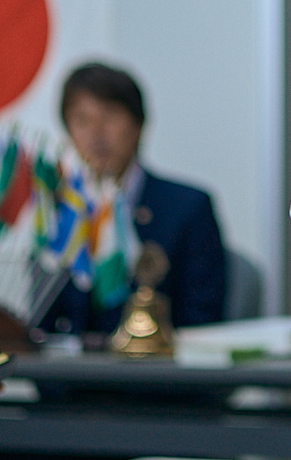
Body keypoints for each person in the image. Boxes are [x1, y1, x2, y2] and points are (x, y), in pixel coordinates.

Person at [34, 61, 227, 336]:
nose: (95, 134)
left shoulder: (188, 208)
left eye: (109, 117)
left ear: (138, 125)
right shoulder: (58, 211)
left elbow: (202, 322)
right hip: (75, 376)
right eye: (81, 121)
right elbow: (42, 324)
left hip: (158, 374)